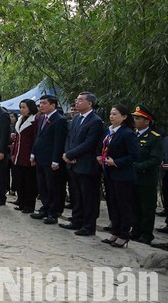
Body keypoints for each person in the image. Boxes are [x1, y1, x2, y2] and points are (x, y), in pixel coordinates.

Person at [61, 92, 105, 236]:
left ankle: (89, 225)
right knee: (76, 194)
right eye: (77, 100)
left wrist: (71, 154)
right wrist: (67, 154)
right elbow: (69, 138)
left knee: (88, 196)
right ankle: (76, 220)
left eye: (80, 100)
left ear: (90, 103)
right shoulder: (75, 119)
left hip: (87, 164)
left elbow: (89, 143)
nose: (77, 102)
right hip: (72, 163)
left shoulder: (95, 121)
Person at [98, 104, 140, 248]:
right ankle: (115, 231)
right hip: (109, 174)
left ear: (124, 117)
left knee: (124, 206)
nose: (111, 117)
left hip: (123, 176)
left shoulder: (127, 133)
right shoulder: (110, 131)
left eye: (115, 114)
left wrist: (116, 162)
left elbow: (135, 155)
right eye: (110, 114)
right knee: (113, 204)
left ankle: (124, 234)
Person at [30, 95, 69, 224]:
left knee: (54, 187)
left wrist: (56, 160)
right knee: (42, 186)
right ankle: (45, 208)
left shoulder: (59, 120)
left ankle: (54, 212)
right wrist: (33, 153)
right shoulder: (41, 118)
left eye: (44, 103)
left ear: (53, 105)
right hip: (41, 157)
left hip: (52, 159)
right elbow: (38, 137)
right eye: (40, 103)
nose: (41, 105)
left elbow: (59, 142)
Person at [130, 105, 163, 244]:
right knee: (134, 205)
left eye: (138, 118)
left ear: (147, 121)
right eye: (134, 117)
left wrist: (136, 167)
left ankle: (146, 234)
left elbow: (155, 160)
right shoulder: (132, 134)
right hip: (132, 177)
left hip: (146, 178)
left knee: (147, 207)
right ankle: (135, 230)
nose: (135, 120)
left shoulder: (154, 137)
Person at [11, 99, 38, 214]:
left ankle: (29, 205)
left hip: (28, 155)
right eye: (21, 107)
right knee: (19, 180)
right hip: (18, 154)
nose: (22, 110)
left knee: (29, 182)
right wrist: (13, 153)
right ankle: (21, 201)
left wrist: (33, 154)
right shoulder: (20, 120)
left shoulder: (35, 120)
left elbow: (36, 139)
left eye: (24, 107)